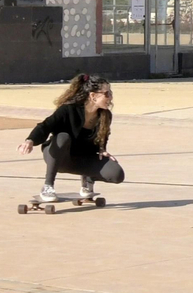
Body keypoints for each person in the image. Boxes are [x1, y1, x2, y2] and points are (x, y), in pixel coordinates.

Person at [18, 74, 125, 203]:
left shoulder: (105, 116)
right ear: (93, 96)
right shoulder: (68, 110)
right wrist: (30, 140)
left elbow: (103, 136)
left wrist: (102, 150)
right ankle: (48, 186)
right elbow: (45, 125)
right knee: (63, 137)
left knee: (116, 174)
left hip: (82, 160)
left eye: (111, 93)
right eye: (106, 94)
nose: (110, 97)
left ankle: (88, 181)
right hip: (59, 157)